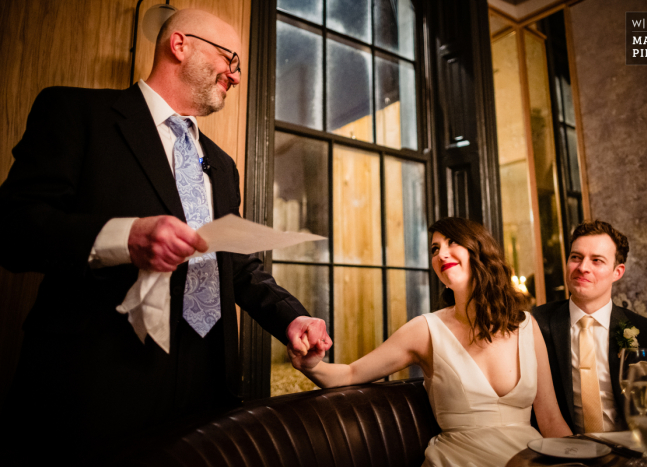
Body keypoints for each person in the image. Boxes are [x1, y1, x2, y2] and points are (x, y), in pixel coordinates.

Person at [0, 9, 331, 463]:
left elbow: (235, 264)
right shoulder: (77, 114)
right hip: (98, 388)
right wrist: (126, 237)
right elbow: (13, 228)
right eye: (229, 58)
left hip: (209, 388)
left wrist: (290, 318)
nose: (235, 76)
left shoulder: (223, 163)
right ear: (180, 45)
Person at [289, 217, 572, 467]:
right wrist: (312, 366)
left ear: (480, 250)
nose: (441, 254)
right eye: (435, 249)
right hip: (459, 460)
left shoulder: (526, 326)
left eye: (452, 243)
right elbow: (351, 373)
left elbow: (550, 419)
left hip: (531, 460)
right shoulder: (426, 330)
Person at [533, 220, 647, 434]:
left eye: (596, 260)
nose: (582, 268)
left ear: (617, 272)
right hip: (562, 453)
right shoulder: (536, 324)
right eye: (575, 258)